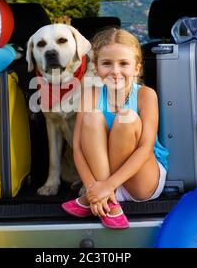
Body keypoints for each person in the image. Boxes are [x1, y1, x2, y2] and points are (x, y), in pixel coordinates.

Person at [61, 28, 169, 229]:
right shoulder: (90, 94)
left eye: (124, 64)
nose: (115, 71)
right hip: (102, 181)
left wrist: (103, 188)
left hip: (140, 179)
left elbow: (145, 148)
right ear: (96, 67)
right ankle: (109, 203)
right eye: (107, 63)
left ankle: (98, 198)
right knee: (92, 117)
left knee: (126, 117)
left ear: (137, 68)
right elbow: (77, 148)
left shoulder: (146, 95)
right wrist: (94, 188)